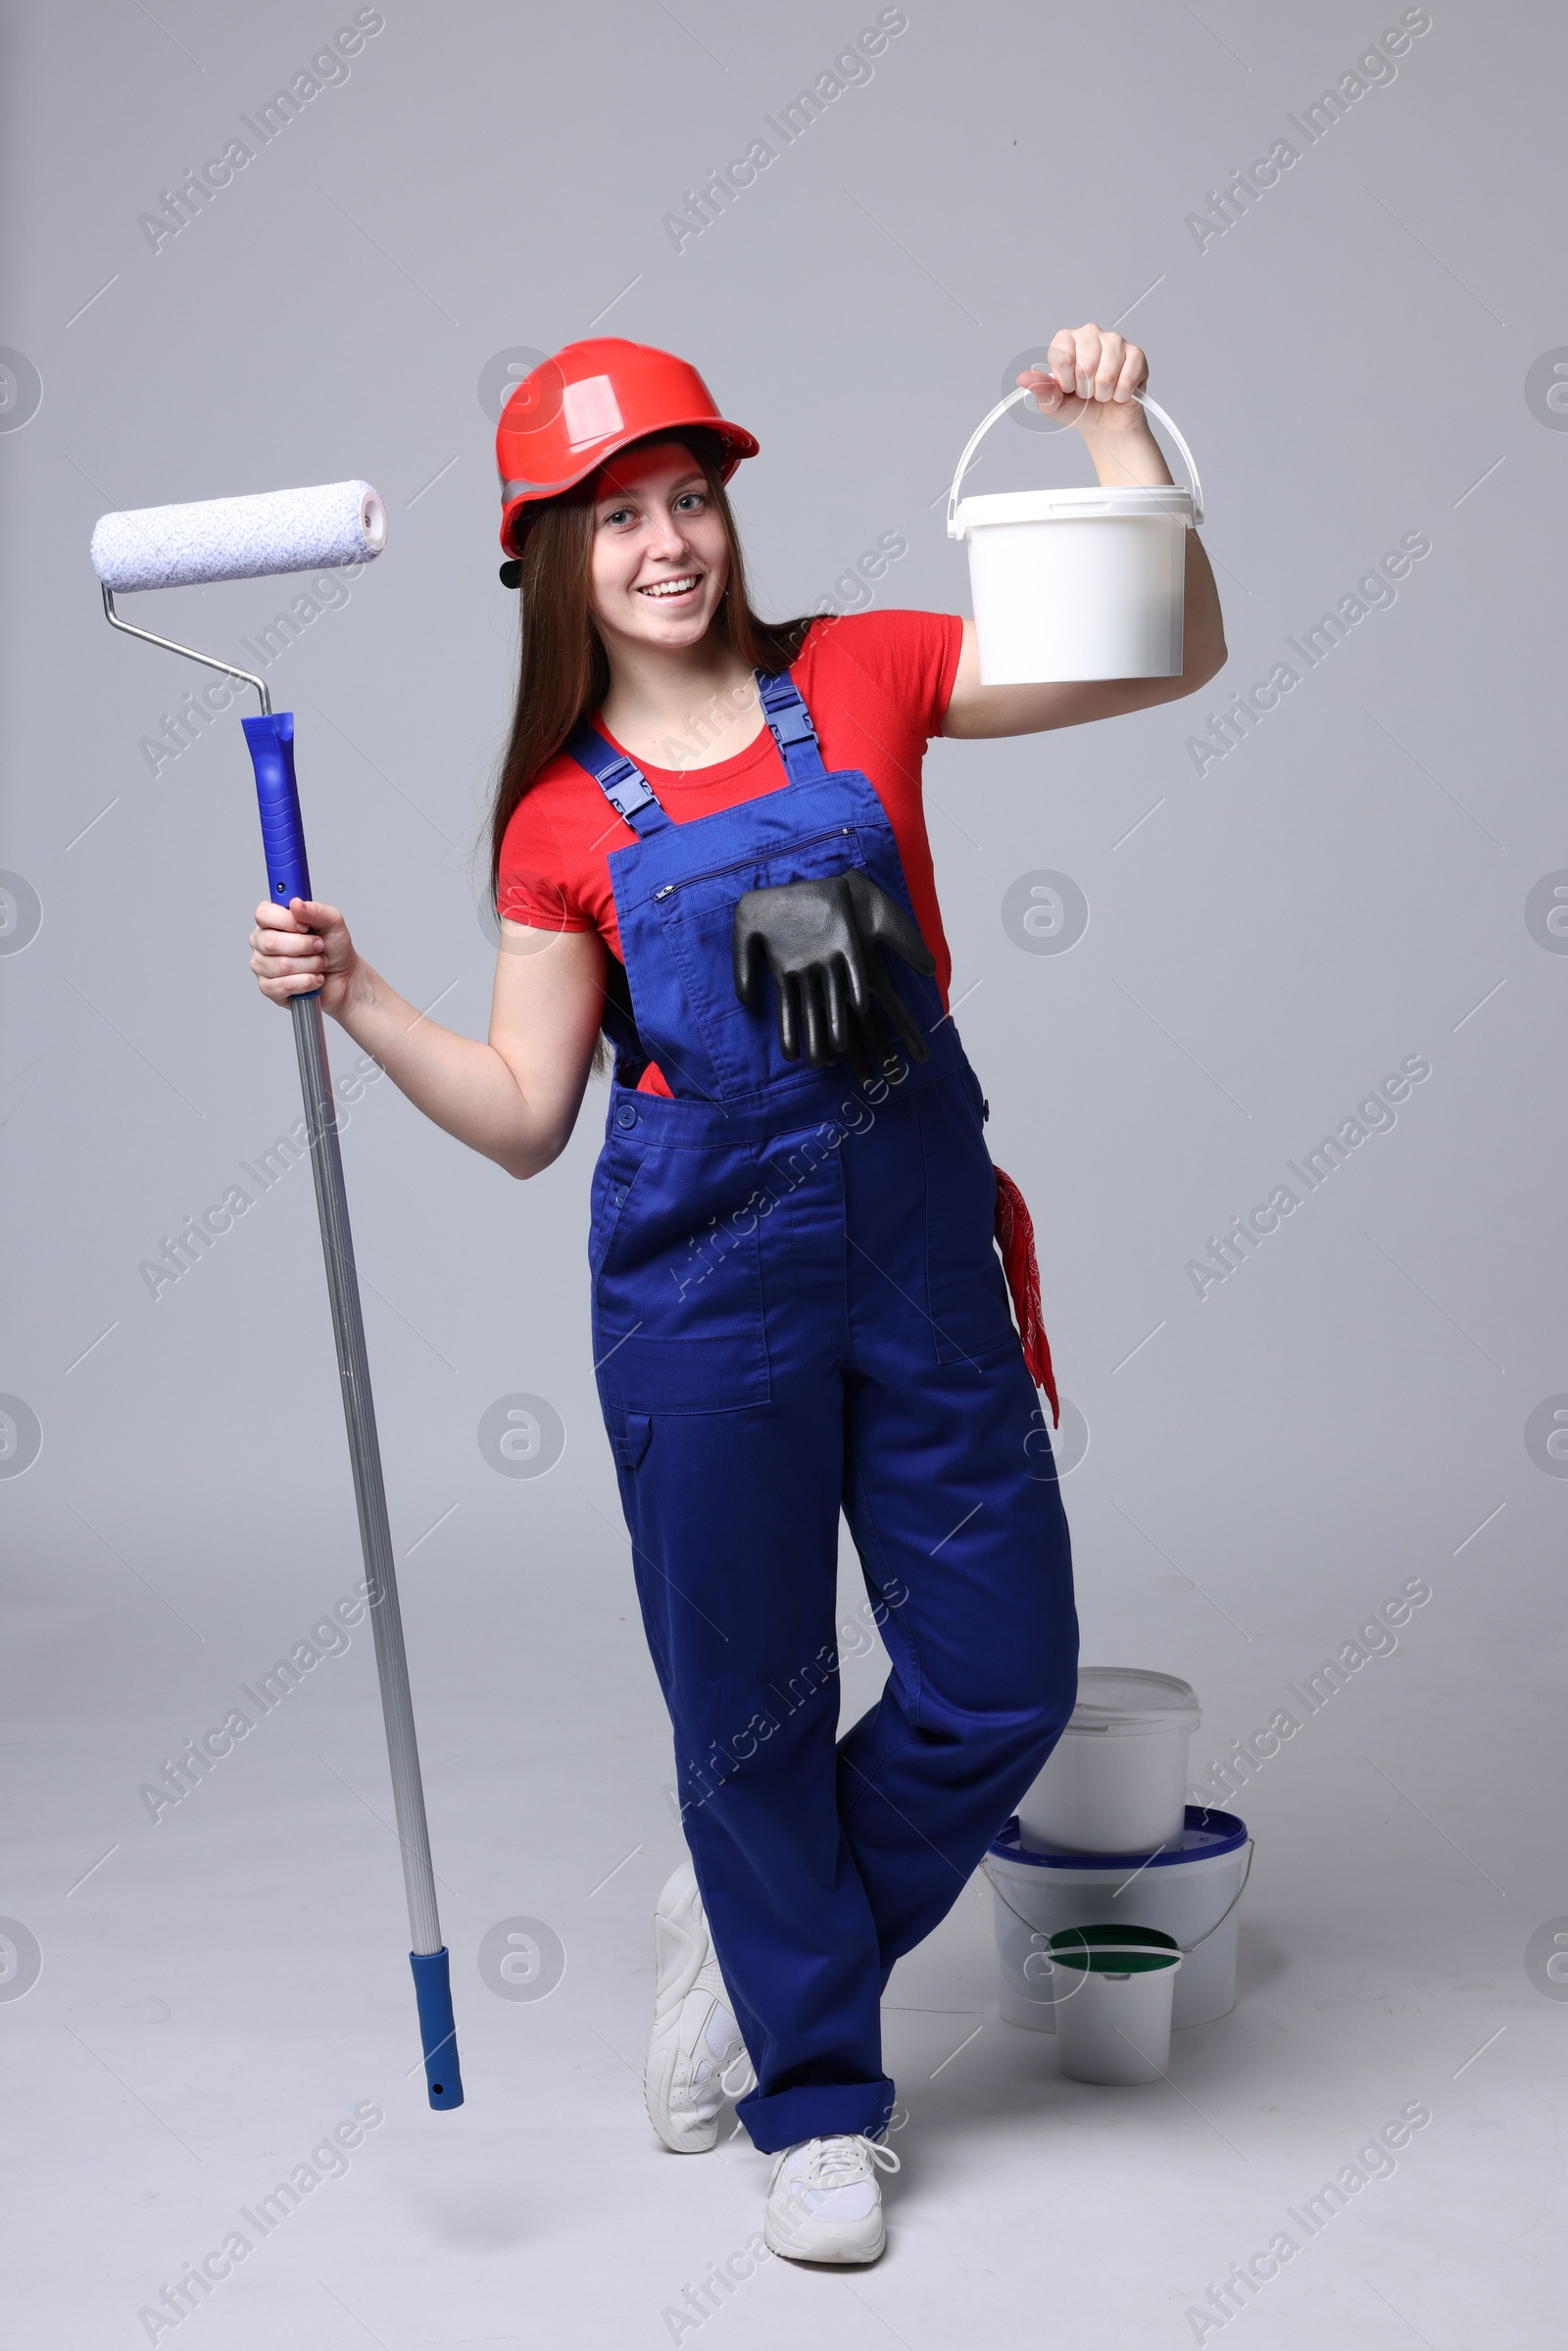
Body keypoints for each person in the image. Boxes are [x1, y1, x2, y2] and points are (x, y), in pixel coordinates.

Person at [250, 328, 1226, 2265]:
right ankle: (814, 2100)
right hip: (706, 1298)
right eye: (614, 518)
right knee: (749, 1725)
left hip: (918, 1251)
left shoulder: (859, 671)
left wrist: (1118, 436)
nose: (665, 541)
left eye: (687, 496)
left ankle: (760, 1920)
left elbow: (1161, 650)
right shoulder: (553, 824)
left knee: (999, 1679)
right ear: (548, 562)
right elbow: (532, 1115)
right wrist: (354, 993)